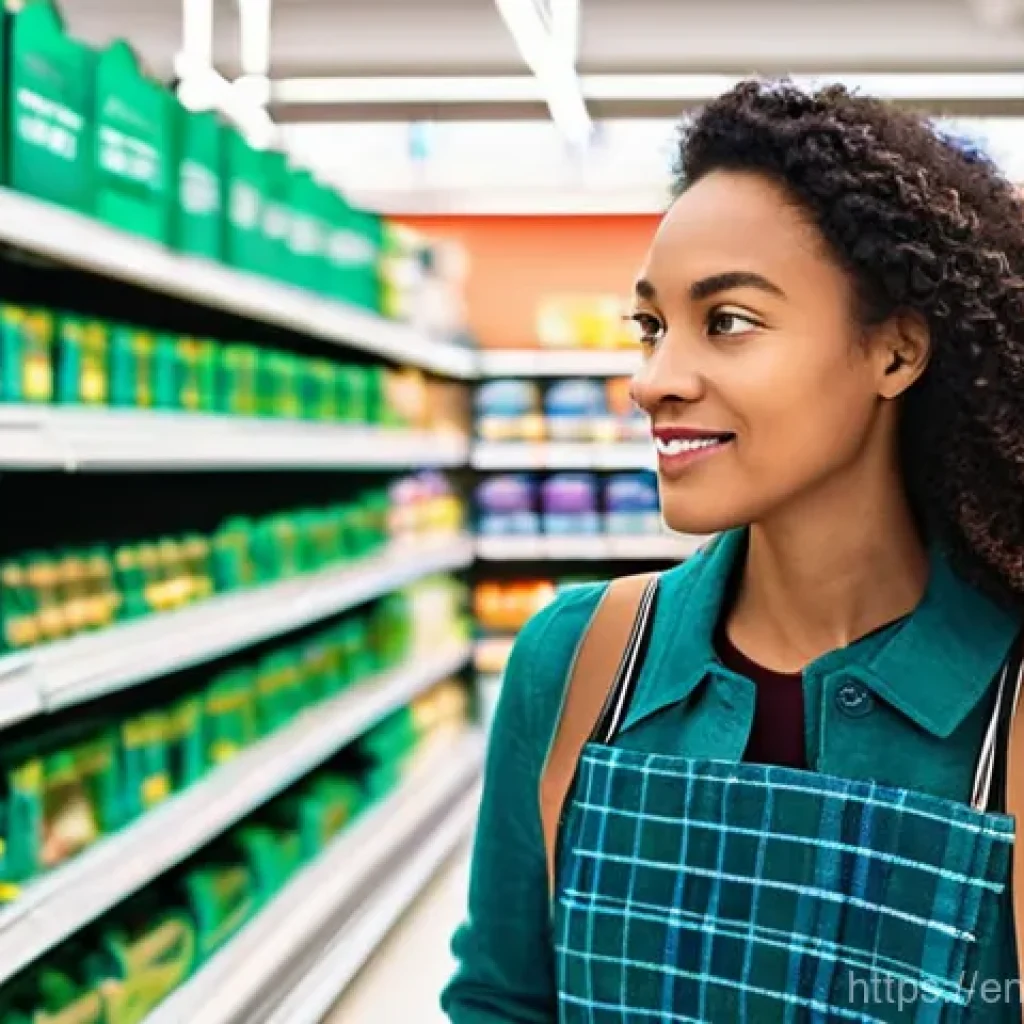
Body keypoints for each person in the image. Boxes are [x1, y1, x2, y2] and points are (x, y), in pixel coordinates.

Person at [442, 80, 1024, 1022]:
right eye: (651, 327)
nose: (654, 381)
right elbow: (505, 1001)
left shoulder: (1011, 696)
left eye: (729, 322)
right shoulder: (579, 661)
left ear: (895, 353)